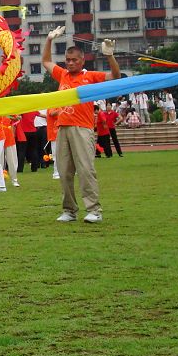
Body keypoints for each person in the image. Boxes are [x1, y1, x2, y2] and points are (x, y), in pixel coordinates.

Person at [42, 30, 121, 223]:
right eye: (68, 59)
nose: (70, 63)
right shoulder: (63, 76)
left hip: (82, 128)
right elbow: (46, 61)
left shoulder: (90, 77)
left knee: (86, 169)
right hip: (63, 128)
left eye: (74, 60)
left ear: (82, 61)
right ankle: (69, 210)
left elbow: (116, 77)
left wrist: (110, 56)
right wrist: (49, 39)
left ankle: (94, 210)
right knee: (64, 171)